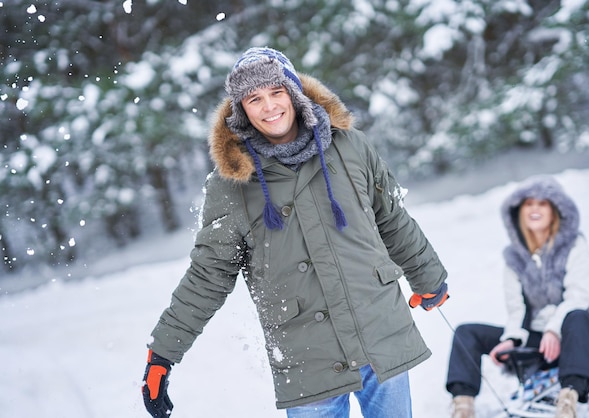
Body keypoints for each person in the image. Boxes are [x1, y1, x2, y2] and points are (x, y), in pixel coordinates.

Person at [141, 46, 450, 418]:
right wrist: (163, 353)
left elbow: (391, 218)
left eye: (276, 92)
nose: (269, 107)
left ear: (294, 92)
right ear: (242, 110)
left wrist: (429, 277)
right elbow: (210, 273)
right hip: (307, 356)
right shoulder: (232, 184)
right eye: (254, 99)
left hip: (377, 330)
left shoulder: (349, 146)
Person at [445, 175, 589, 418]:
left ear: (555, 210)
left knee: (577, 316)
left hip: (579, 334)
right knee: (467, 332)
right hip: (540, 339)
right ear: (519, 212)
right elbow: (517, 309)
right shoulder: (514, 258)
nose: (535, 209)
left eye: (542, 204)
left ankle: (568, 401)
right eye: (529, 204)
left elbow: (578, 295)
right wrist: (512, 339)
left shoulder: (574, 245)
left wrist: (554, 330)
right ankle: (462, 407)